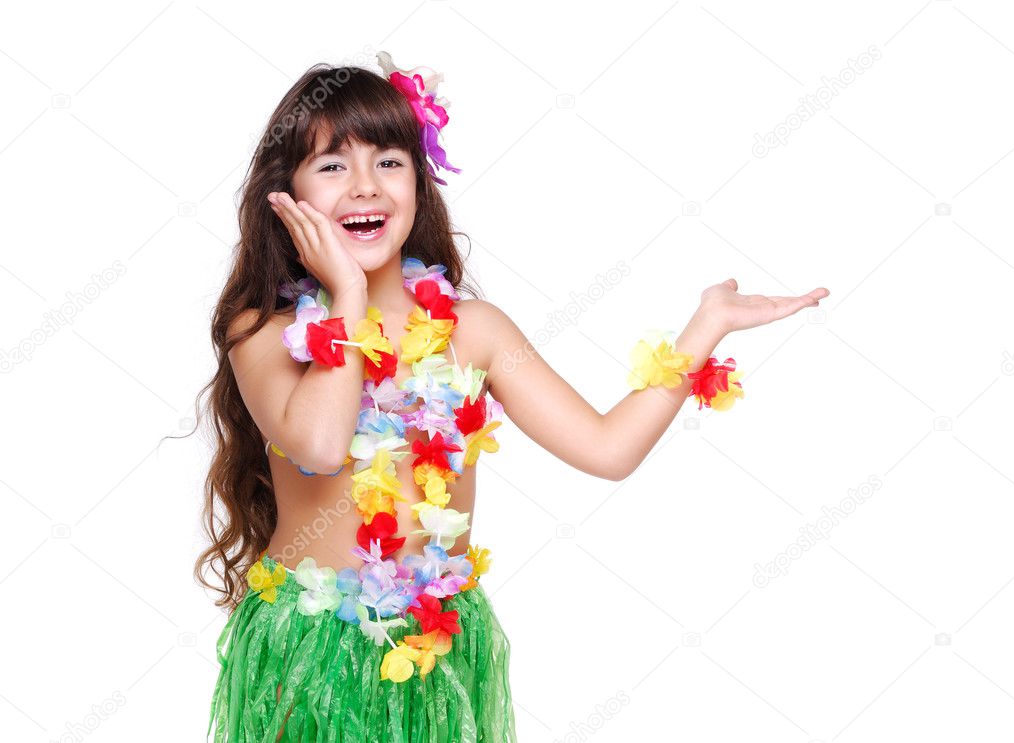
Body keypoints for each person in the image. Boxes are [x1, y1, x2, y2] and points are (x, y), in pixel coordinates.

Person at [196, 50, 829, 742]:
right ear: (286, 195)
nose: (363, 186)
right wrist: (345, 295)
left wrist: (705, 325)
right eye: (331, 165)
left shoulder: (474, 332)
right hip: (309, 649)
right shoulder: (265, 331)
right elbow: (319, 445)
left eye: (387, 161)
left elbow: (607, 448)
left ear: (419, 181)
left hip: (433, 647)